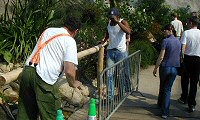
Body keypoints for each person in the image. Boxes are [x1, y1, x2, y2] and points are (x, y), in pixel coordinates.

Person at [17, 16, 82, 120]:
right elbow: (69, 71)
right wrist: (73, 83)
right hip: (43, 78)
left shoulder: (48, 30)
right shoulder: (69, 40)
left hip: (27, 71)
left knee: (25, 114)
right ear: (76, 31)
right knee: (50, 114)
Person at [102, 8, 131, 100]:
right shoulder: (109, 23)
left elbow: (128, 31)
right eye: (110, 17)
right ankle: (110, 96)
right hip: (110, 51)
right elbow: (108, 35)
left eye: (113, 17)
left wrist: (118, 22)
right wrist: (102, 41)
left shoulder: (123, 22)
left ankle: (121, 94)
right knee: (109, 74)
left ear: (118, 16)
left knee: (120, 74)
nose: (111, 19)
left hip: (120, 52)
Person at [153, 24, 181, 119]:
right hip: (175, 67)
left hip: (165, 66)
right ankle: (162, 107)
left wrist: (156, 68)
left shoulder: (165, 41)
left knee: (164, 87)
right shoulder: (178, 41)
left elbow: (161, 56)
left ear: (169, 30)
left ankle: (164, 110)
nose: (163, 32)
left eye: (164, 30)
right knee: (168, 88)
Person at [178, 17, 200, 112]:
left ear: (191, 23)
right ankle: (192, 103)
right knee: (194, 82)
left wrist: (181, 58)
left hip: (187, 58)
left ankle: (184, 97)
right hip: (198, 58)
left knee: (185, 79)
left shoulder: (186, 33)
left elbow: (183, 47)